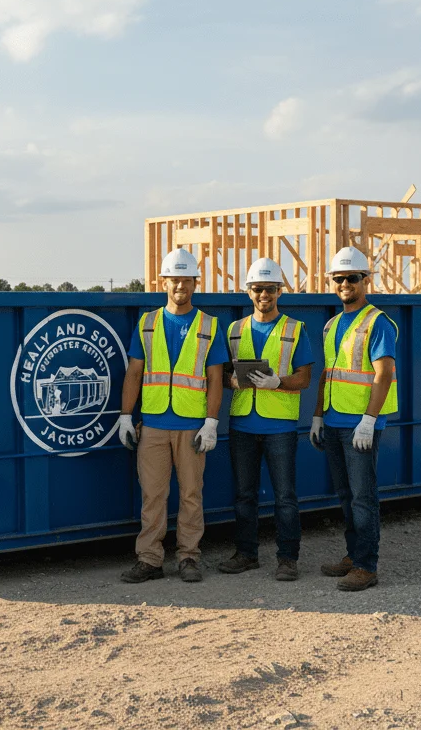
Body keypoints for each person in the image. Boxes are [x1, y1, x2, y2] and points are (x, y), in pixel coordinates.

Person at [117, 248, 228, 583]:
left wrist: (211, 422)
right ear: (163, 281)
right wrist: (125, 416)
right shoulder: (147, 323)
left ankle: (189, 558)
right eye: (174, 279)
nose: (180, 285)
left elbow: (215, 379)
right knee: (152, 496)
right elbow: (134, 373)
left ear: (196, 283)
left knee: (192, 495)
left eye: (186, 280)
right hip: (152, 425)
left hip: (192, 427)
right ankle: (150, 559)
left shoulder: (209, 326)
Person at [215, 258, 314, 581]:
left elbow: (305, 378)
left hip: (280, 426)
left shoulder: (295, 329)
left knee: (285, 497)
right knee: (244, 495)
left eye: (270, 289)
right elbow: (224, 372)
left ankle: (288, 559)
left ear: (279, 292)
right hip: (242, 423)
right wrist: (231, 381)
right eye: (258, 289)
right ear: (248, 291)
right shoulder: (234, 330)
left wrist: (278, 382)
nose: (263, 295)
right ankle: (246, 554)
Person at [309, 247, 398, 592]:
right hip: (334, 422)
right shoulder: (332, 324)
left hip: (359, 426)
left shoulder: (377, 322)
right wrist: (317, 415)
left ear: (365, 281)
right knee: (346, 494)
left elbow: (384, 373)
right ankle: (353, 554)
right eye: (339, 278)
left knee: (363, 496)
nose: (345, 283)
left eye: (352, 278)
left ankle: (366, 566)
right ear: (332, 282)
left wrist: (369, 420)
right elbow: (328, 374)